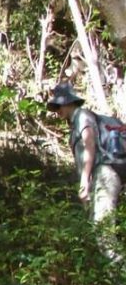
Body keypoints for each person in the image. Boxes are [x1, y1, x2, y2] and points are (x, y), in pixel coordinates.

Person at [47, 82, 123, 265]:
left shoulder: (82, 116)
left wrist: (84, 181)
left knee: (103, 233)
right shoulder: (74, 123)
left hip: (103, 174)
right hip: (100, 176)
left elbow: (90, 145)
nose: (57, 110)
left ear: (68, 102)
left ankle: (122, 282)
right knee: (97, 230)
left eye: (58, 105)